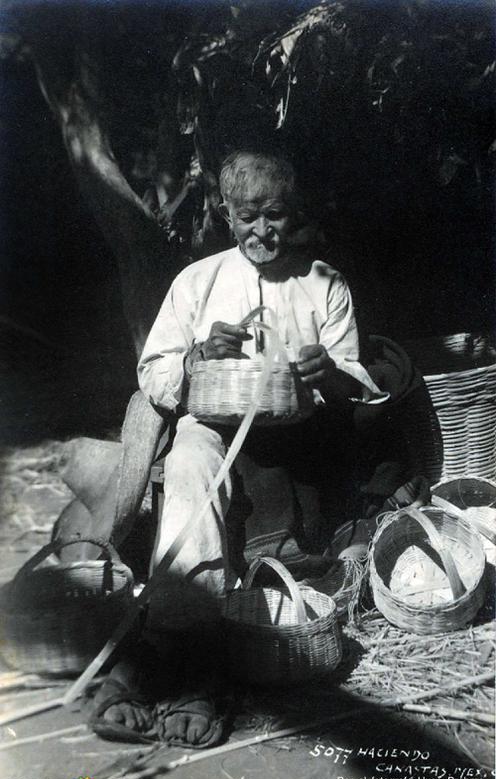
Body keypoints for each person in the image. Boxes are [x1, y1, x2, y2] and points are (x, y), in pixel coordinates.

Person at [90, 150, 387, 746]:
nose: (261, 230)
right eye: (247, 216)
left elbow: (360, 384)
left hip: (299, 436)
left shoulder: (323, 283)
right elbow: (153, 372)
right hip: (213, 427)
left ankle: (171, 665)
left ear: (292, 213)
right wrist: (198, 356)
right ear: (227, 214)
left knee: (214, 460)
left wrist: (326, 370)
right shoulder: (198, 282)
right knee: (191, 456)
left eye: (274, 214)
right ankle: (183, 650)